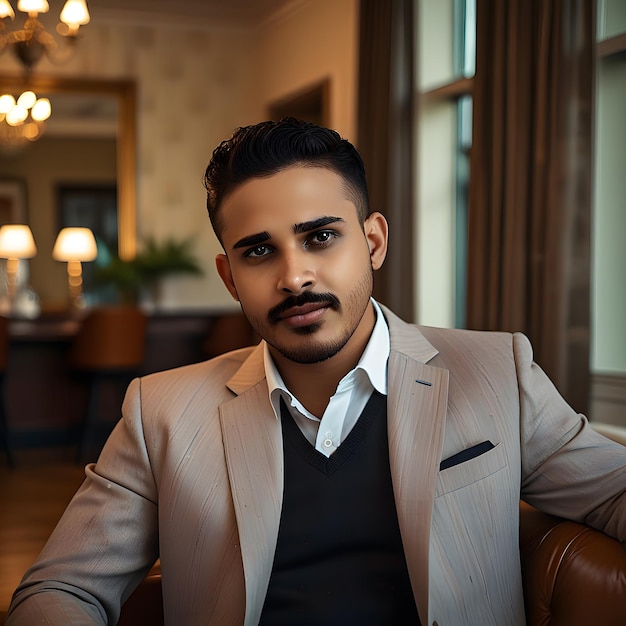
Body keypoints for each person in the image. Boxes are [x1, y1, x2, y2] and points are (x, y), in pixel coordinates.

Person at [7, 118, 626, 626]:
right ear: (229, 278)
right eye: (258, 251)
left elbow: (613, 492)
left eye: (321, 237)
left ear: (374, 241)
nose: (294, 276)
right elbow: (61, 589)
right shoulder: (161, 413)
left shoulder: (496, 372)